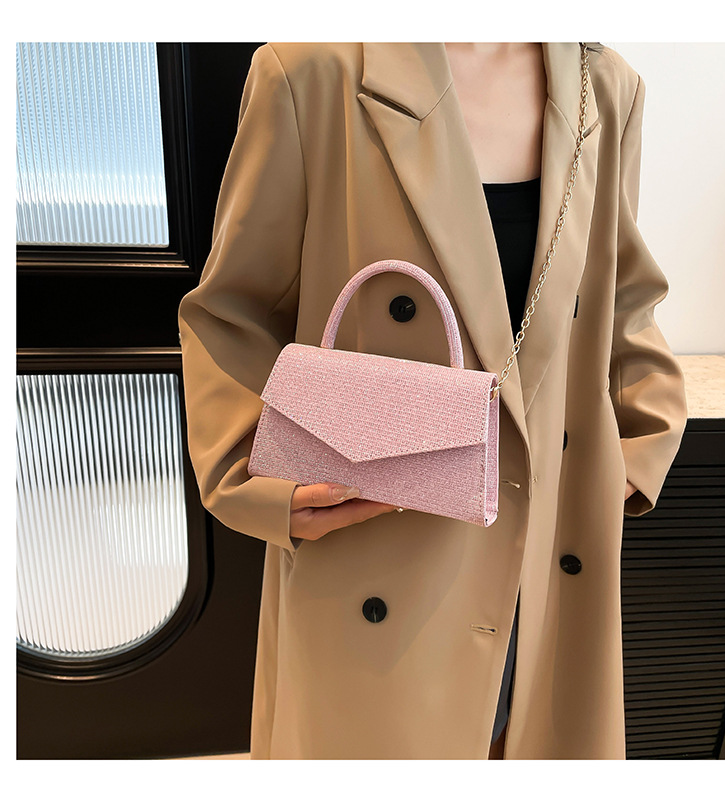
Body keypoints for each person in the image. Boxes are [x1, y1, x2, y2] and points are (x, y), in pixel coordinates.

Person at [177, 42, 688, 759]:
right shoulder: (313, 71)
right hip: (374, 533)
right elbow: (231, 310)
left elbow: (624, 298)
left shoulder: (604, 87)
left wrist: (634, 453)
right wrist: (255, 479)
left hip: (549, 542)